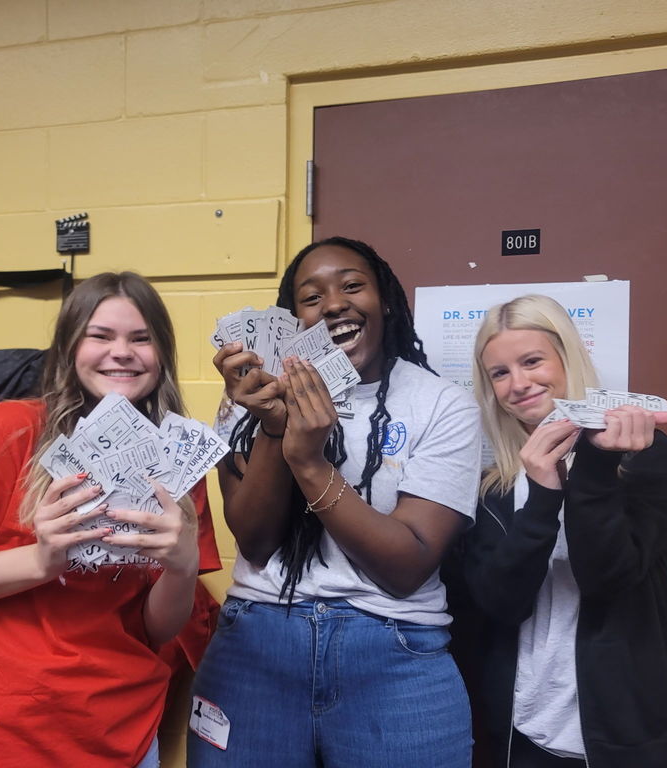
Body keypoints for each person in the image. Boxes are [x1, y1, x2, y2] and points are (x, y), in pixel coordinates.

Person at [0, 272, 221, 768]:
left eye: (141, 338)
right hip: (3, 732)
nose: (122, 352)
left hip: (124, 729)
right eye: (101, 335)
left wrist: (180, 567)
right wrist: (41, 560)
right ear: (70, 347)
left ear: (162, 355)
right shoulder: (4, 431)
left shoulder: (176, 462)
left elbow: (158, 629)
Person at [189, 236, 482, 767]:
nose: (333, 304)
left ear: (385, 300)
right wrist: (275, 432)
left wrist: (309, 463)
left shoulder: (443, 404)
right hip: (257, 641)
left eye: (352, 286)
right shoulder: (251, 400)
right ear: (291, 320)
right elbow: (254, 543)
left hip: (395, 651)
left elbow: (406, 566)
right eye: (311, 297)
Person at [447, 294, 667, 768]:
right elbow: (500, 604)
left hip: (630, 729)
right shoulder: (496, 484)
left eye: (532, 361)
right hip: (527, 728)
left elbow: (608, 577)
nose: (518, 384)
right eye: (499, 373)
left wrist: (595, 468)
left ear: (567, 358)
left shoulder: (642, 453)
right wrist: (542, 496)